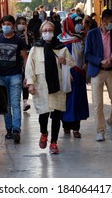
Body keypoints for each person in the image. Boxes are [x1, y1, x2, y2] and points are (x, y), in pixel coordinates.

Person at [25, 21, 74, 154]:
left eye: (50, 30)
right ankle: (44, 133)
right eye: (45, 30)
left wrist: (65, 62)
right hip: (41, 87)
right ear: (41, 32)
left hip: (57, 87)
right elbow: (30, 67)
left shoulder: (61, 48)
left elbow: (72, 62)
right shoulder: (36, 48)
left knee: (57, 116)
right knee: (43, 115)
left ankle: (53, 142)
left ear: (54, 32)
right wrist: (30, 84)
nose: (47, 32)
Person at [84, 9, 112, 141]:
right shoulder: (91, 34)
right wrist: (100, 61)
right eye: (111, 21)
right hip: (97, 71)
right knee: (97, 104)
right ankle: (100, 130)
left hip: (111, 70)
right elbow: (87, 54)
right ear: (104, 20)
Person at [0, 15, 27, 143]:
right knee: (5, 105)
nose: (5, 26)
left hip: (15, 75)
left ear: (13, 25)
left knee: (15, 104)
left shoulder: (19, 40)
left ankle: (16, 130)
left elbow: (25, 58)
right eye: (4, 24)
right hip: (1, 76)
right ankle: (8, 129)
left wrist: (26, 75)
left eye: (8, 24)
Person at [59, 14, 89, 138]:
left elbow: (86, 54)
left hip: (79, 75)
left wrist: (87, 64)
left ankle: (76, 128)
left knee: (78, 100)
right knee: (66, 101)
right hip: (66, 74)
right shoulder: (61, 40)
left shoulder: (83, 37)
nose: (78, 25)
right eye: (75, 22)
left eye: (79, 22)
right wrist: (65, 72)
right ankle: (65, 126)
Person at [15, 16, 34, 111]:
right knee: (17, 81)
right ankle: (17, 102)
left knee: (25, 80)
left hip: (26, 60)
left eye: (23, 23)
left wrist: (26, 35)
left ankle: (25, 101)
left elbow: (30, 45)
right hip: (16, 60)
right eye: (20, 23)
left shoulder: (30, 33)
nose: (22, 25)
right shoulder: (13, 34)